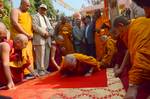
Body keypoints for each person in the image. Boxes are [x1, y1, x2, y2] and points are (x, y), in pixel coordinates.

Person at [112, 7, 150, 98]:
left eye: (117, 33)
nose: (118, 37)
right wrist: (120, 68)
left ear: (121, 25)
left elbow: (143, 54)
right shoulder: (133, 26)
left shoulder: (135, 29)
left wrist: (133, 86)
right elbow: (129, 50)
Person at [0, 22, 38, 89]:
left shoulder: (21, 50)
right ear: (18, 42)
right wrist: (10, 81)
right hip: (6, 81)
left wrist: (34, 73)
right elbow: (5, 64)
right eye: (25, 44)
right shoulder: (6, 45)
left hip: (17, 81)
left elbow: (26, 63)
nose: (26, 46)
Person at [10, 0, 34, 76]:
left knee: (28, 56)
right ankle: (21, 74)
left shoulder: (28, 14)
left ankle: (30, 72)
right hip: (19, 40)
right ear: (21, 4)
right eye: (27, 5)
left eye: (29, 6)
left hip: (28, 40)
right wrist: (25, 34)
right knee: (20, 57)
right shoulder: (15, 11)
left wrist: (31, 34)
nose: (28, 7)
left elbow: (31, 26)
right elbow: (15, 23)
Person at [32, 4, 53, 76]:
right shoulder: (34, 16)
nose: (43, 10)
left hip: (48, 38)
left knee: (46, 55)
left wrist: (49, 33)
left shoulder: (46, 18)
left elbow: (50, 28)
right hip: (40, 38)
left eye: (44, 9)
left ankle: (45, 69)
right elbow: (35, 26)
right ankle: (40, 70)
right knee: (40, 55)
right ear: (39, 8)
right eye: (42, 8)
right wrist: (44, 33)